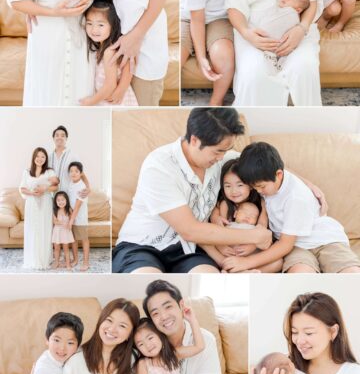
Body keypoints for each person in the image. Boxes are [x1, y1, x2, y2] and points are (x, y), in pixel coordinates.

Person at [112, 107, 272, 274]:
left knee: (209, 277)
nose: (221, 157)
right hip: (141, 246)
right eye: (218, 151)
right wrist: (255, 236)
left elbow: (270, 169)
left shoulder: (224, 160)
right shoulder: (159, 165)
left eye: (226, 150)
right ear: (195, 140)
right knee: (147, 278)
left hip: (189, 249)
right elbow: (189, 230)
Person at [222, 141, 360, 274]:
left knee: (351, 275)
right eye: (254, 187)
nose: (258, 191)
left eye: (261, 187)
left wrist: (246, 263)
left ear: (279, 175)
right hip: (296, 247)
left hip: (325, 240)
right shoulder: (265, 176)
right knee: (300, 275)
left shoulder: (296, 198)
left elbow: (284, 245)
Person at [208, 156, 283, 273]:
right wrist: (221, 247)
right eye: (228, 186)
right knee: (205, 244)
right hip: (228, 250)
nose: (234, 191)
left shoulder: (260, 202)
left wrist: (253, 246)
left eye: (240, 185)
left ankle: (240, 272)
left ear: (251, 184)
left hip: (250, 252)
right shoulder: (225, 204)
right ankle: (231, 269)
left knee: (277, 263)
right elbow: (218, 229)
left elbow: (262, 228)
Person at [81, 0, 138, 107]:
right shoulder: (105, 48)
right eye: (89, 23)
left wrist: (90, 102)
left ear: (113, 26)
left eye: (101, 25)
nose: (94, 29)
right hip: (109, 99)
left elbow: (110, 85)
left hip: (112, 102)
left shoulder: (109, 52)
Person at [248, 0, 310, 75]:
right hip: (263, 40)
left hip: (280, 44)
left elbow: (293, 29)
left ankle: (278, 61)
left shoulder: (291, 13)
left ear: (298, 10)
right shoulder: (275, 8)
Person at [19, 147, 58, 270]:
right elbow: (22, 188)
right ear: (34, 157)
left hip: (45, 203)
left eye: (43, 157)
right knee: (32, 230)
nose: (40, 159)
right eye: (38, 156)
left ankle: (44, 259)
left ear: (45, 159)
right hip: (31, 204)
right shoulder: (27, 172)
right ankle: (32, 259)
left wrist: (44, 189)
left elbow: (56, 186)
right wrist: (33, 193)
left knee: (44, 229)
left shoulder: (49, 171)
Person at [49, 125, 90, 195]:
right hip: (52, 197)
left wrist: (88, 187)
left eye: (62, 136)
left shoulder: (72, 155)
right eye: (57, 135)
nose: (59, 137)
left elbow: (81, 173)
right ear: (53, 138)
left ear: (66, 139)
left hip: (68, 196)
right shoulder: (49, 157)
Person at [68, 162, 90, 272]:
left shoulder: (82, 186)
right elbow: (70, 202)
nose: (73, 173)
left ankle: (86, 262)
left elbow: (77, 206)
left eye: (76, 171)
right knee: (74, 240)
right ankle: (75, 259)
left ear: (81, 173)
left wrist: (71, 219)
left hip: (80, 218)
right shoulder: (71, 184)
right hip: (72, 216)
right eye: (71, 171)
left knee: (84, 239)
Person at [52, 191, 75, 272]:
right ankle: (56, 262)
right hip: (57, 232)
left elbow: (72, 219)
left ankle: (68, 264)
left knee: (66, 249)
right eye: (58, 200)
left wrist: (69, 224)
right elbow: (55, 221)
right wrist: (63, 223)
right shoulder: (55, 210)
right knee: (57, 248)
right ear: (56, 202)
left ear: (66, 200)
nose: (61, 202)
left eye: (62, 200)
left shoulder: (69, 209)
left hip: (65, 232)